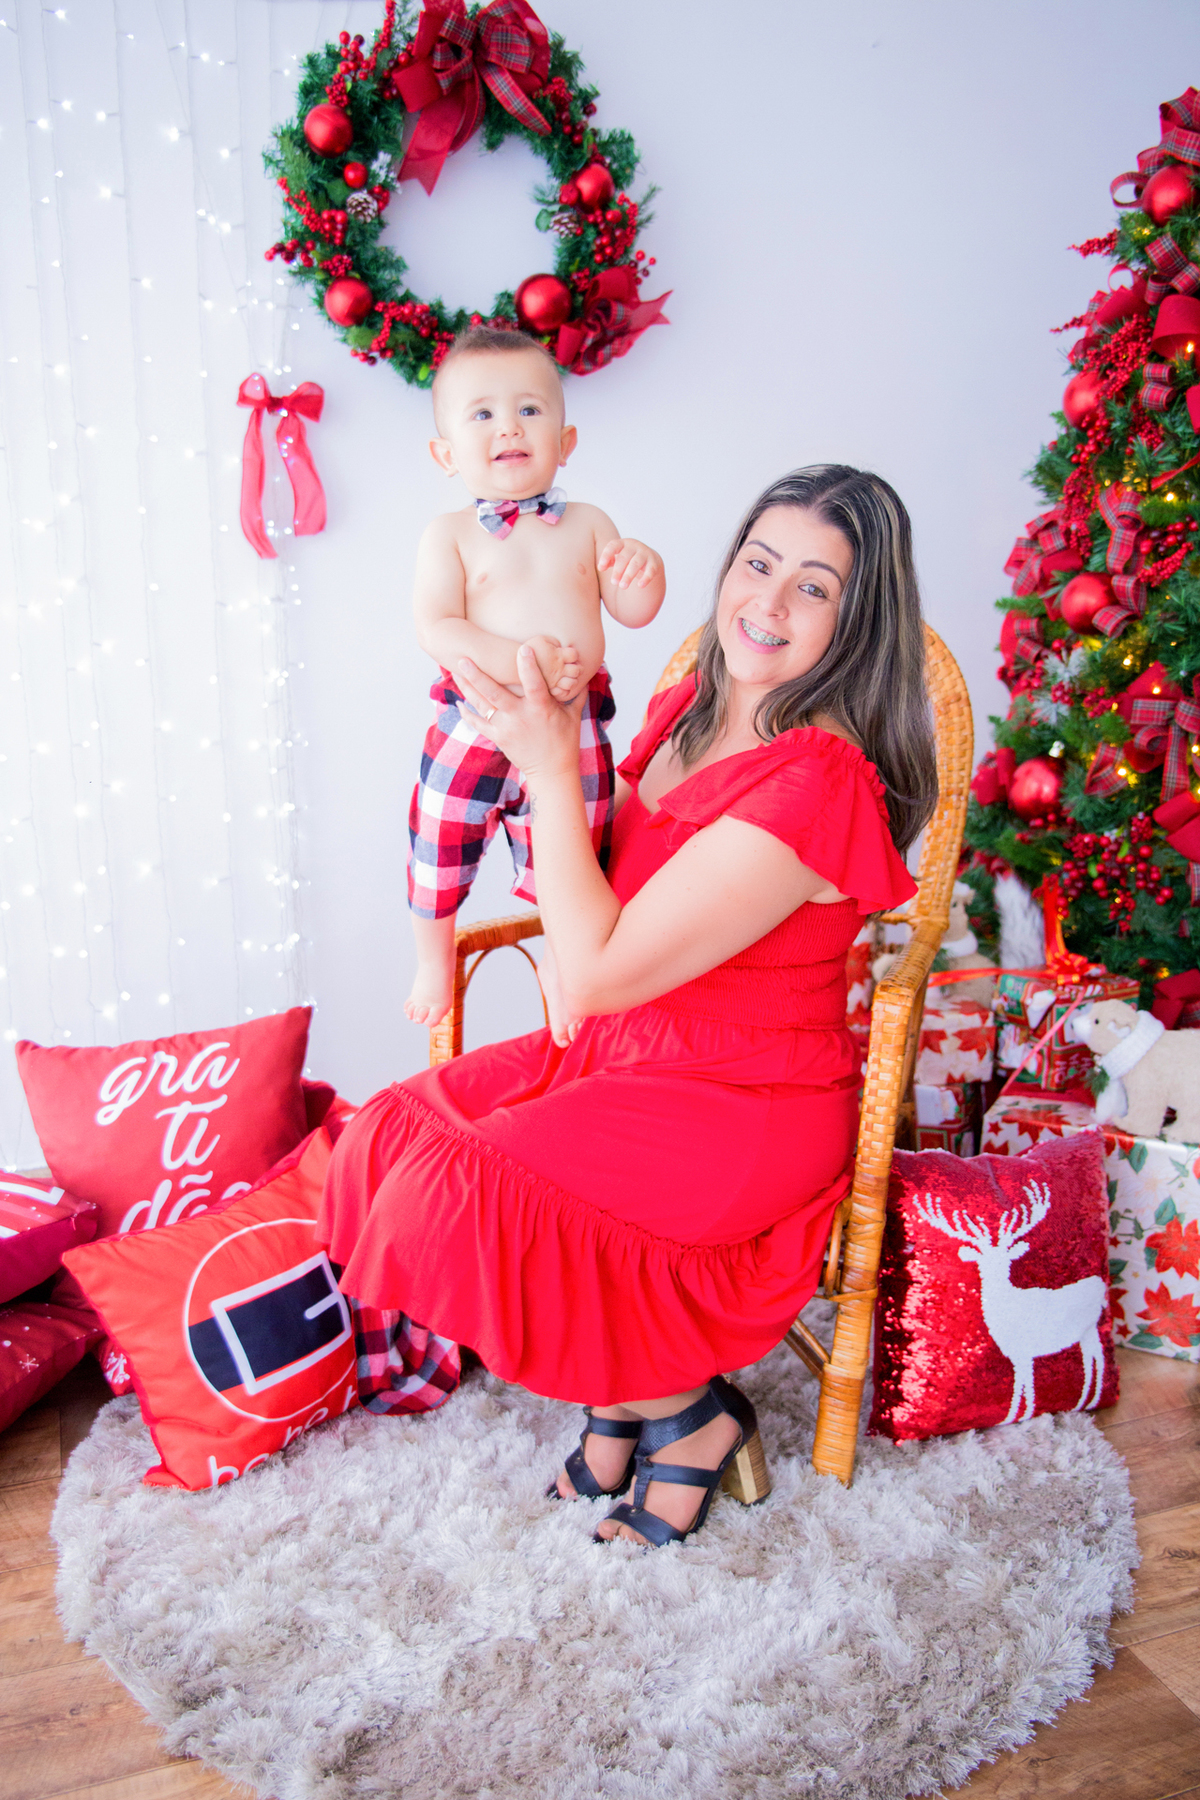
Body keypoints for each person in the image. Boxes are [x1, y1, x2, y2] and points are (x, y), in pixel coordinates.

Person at [320, 465, 937, 1548]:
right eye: (757, 564)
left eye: (814, 588)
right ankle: (622, 1395)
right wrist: (542, 723)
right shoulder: (682, 707)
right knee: (392, 1139)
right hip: (627, 1050)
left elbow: (599, 960)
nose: (767, 603)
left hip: (743, 1098)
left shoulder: (820, 782)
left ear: (857, 621)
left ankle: (687, 1417)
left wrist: (553, 771)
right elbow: (584, 897)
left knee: (466, 1196)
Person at [405, 326, 666, 1028]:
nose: (509, 427)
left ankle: (563, 962)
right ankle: (434, 958)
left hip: (572, 726)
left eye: (529, 409)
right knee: (440, 837)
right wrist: (520, 657)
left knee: (575, 851)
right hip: (477, 718)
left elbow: (635, 611)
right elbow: (438, 628)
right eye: (482, 413)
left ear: (565, 439)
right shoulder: (449, 535)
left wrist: (644, 569)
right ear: (446, 452)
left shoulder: (587, 522)